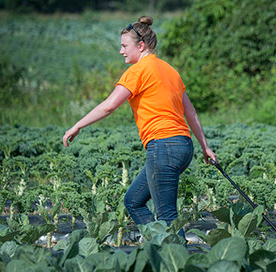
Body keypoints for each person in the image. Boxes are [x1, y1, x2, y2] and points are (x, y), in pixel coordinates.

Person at [63, 16, 217, 234]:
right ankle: (158, 245)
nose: (121, 51)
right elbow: (190, 111)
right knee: (133, 201)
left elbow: (109, 106)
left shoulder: (138, 71)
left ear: (141, 46)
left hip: (163, 146)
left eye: (125, 46)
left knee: (166, 216)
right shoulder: (170, 70)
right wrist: (205, 147)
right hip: (183, 146)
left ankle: (178, 260)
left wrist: (77, 125)